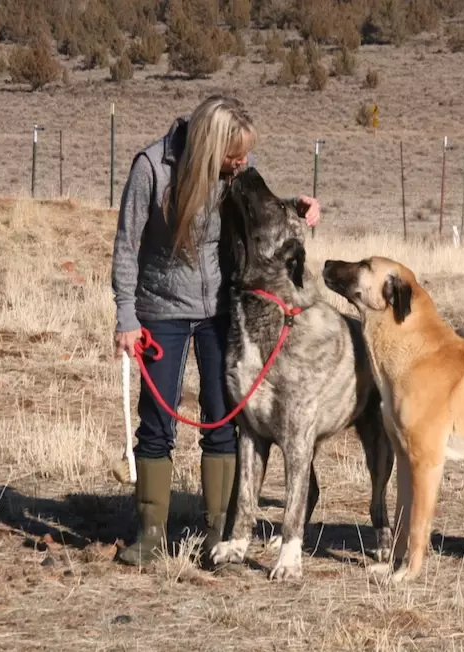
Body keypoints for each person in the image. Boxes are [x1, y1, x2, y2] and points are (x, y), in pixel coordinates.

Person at [111, 95, 321, 567]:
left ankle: (218, 532)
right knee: (156, 424)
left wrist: (297, 207)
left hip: (220, 310)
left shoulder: (234, 173)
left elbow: (257, 213)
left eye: (245, 153)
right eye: (234, 154)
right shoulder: (151, 168)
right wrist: (126, 317)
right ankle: (149, 536)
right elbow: (126, 246)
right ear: (209, 147)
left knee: (225, 420)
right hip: (160, 310)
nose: (243, 162)